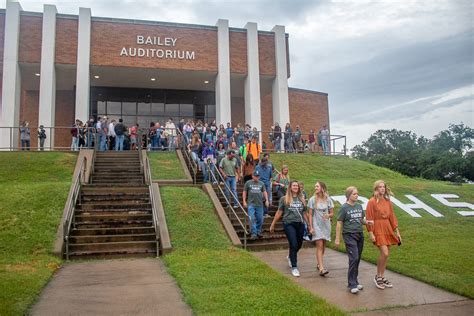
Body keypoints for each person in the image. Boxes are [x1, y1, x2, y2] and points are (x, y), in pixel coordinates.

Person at [366, 180, 402, 290]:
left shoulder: (387, 201)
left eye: (384, 187)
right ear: (376, 189)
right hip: (377, 228)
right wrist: (370, 232)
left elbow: (392, 217)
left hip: (387, 228)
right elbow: (369, 218)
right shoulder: (372, 201)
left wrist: (397, 231)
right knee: (384, 253)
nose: (382, 189)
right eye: (380, 187)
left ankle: (382, 276)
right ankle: (377, 276)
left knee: (386, 255)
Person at [270, 180, 307, 277]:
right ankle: (294, 267)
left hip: (300, 223)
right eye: (294, 185)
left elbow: (304, 213)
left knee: (299, 244)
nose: (296, 187)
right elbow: (279, 212)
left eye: (297, 186)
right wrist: (273, 224)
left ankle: (290, 256)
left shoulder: (302, 198)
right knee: (293, 243)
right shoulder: (284, 199)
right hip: (289, 223)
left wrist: (309, 225)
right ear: (290, 187)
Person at [335, 186, 366, 294]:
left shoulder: (359, 206)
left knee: (357, 259)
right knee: (354, 258)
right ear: (348, 196)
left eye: (357, 194)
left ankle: (356, 281)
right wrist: (337, 239)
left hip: (359, 234)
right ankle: (351, 284)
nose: (356, 195)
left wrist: (368, 222)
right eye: (354, 194)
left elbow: (361, 219)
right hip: (349, 235)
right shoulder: (344, 208)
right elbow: (339, 223)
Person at [307, 181, 334, 276]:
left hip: (326, 225)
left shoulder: (328, 199)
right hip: (316, 224)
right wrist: (310, 227)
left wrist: (328, 215)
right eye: (315, 186)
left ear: (322, 188)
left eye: (317, 186)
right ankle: (322, 269)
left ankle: (319, 263)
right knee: (319, 245)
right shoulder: (312, 200)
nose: (315, 188)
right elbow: (310, 214)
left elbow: (332, 213)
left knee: (323, 246)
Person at [243, 170, 269, 240]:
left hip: (260, 204)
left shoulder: (261, 183)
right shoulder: (248, 183)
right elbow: (244, 192)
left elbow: (264, 192)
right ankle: (253, 233)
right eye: (255, 176)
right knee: (252, 218)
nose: (257, 177)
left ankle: (258, 231)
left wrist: (267, 200)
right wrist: (244, 201)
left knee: (260, 219)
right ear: (252, 176)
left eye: (258, 176)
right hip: (251, 204)